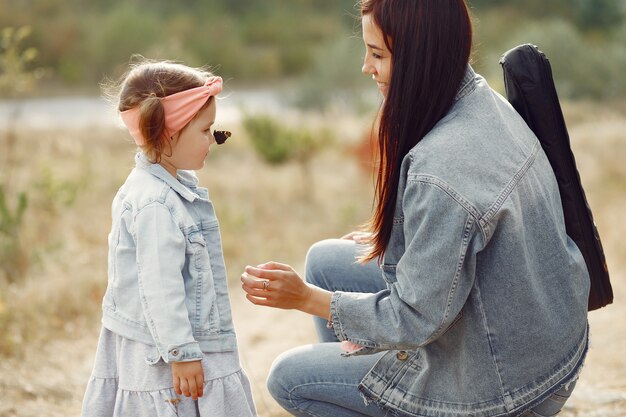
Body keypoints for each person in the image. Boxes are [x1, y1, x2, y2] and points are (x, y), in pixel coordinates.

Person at [240, 1, 590, 416]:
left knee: (290, 378)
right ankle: (376, 386)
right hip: (541, 343)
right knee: (324, 259)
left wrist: (306, 299)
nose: (365, 67)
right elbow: (477, 230)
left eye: (378, 55)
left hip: (507, 386)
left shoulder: (440, 169)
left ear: (421, 56)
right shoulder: (479, 101)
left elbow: (417, 318)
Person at [81, 60, 256, 417]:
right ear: (168, 132)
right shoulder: (156, 203)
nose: (213, 139)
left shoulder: (168, 189)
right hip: (163, 355)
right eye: (205, 130)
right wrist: (180, 353)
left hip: (166, 342)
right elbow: (160, 286)